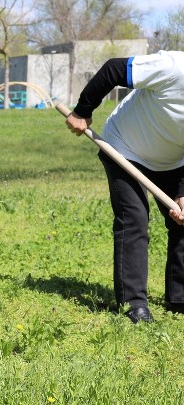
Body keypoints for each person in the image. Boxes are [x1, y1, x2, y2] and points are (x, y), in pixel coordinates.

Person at [65, 50, 184, 323]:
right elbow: (114, 69)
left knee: (182, 221)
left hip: (174, 160)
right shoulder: (174, 67)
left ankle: (180, 299)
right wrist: (83, 111)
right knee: (135, 218)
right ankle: (134, 305)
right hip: (125, 148)